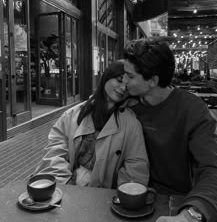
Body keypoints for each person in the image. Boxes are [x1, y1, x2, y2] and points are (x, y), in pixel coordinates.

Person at [123, 38, 217, 222]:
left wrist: (190, 216)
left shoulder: (192, 110)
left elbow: (214, 171)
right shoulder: (126, 105)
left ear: (152, 81)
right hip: (124, 195)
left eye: (130, 76)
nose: (123, 81)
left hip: (175, 201)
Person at [34, 60, 149, 188]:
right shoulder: (73, 115)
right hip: (67, 191)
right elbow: (54, 153)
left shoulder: (131, 123)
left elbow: (136, 165)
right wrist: (66, 184)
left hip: (104, 198)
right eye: (119, 80)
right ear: (106, 77)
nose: (122, 88)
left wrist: (120, 195)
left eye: (127, 86)